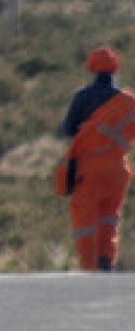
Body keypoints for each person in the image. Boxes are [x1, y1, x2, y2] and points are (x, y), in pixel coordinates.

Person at [60, 46, 135, 271]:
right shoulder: (129, 102)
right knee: (110, 217)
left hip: (89, 168)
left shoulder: (82, 97)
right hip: (118, 170)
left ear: (92, 67)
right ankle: (106, 261)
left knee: (85, 218)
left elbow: (68, 129)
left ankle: (90, 267)